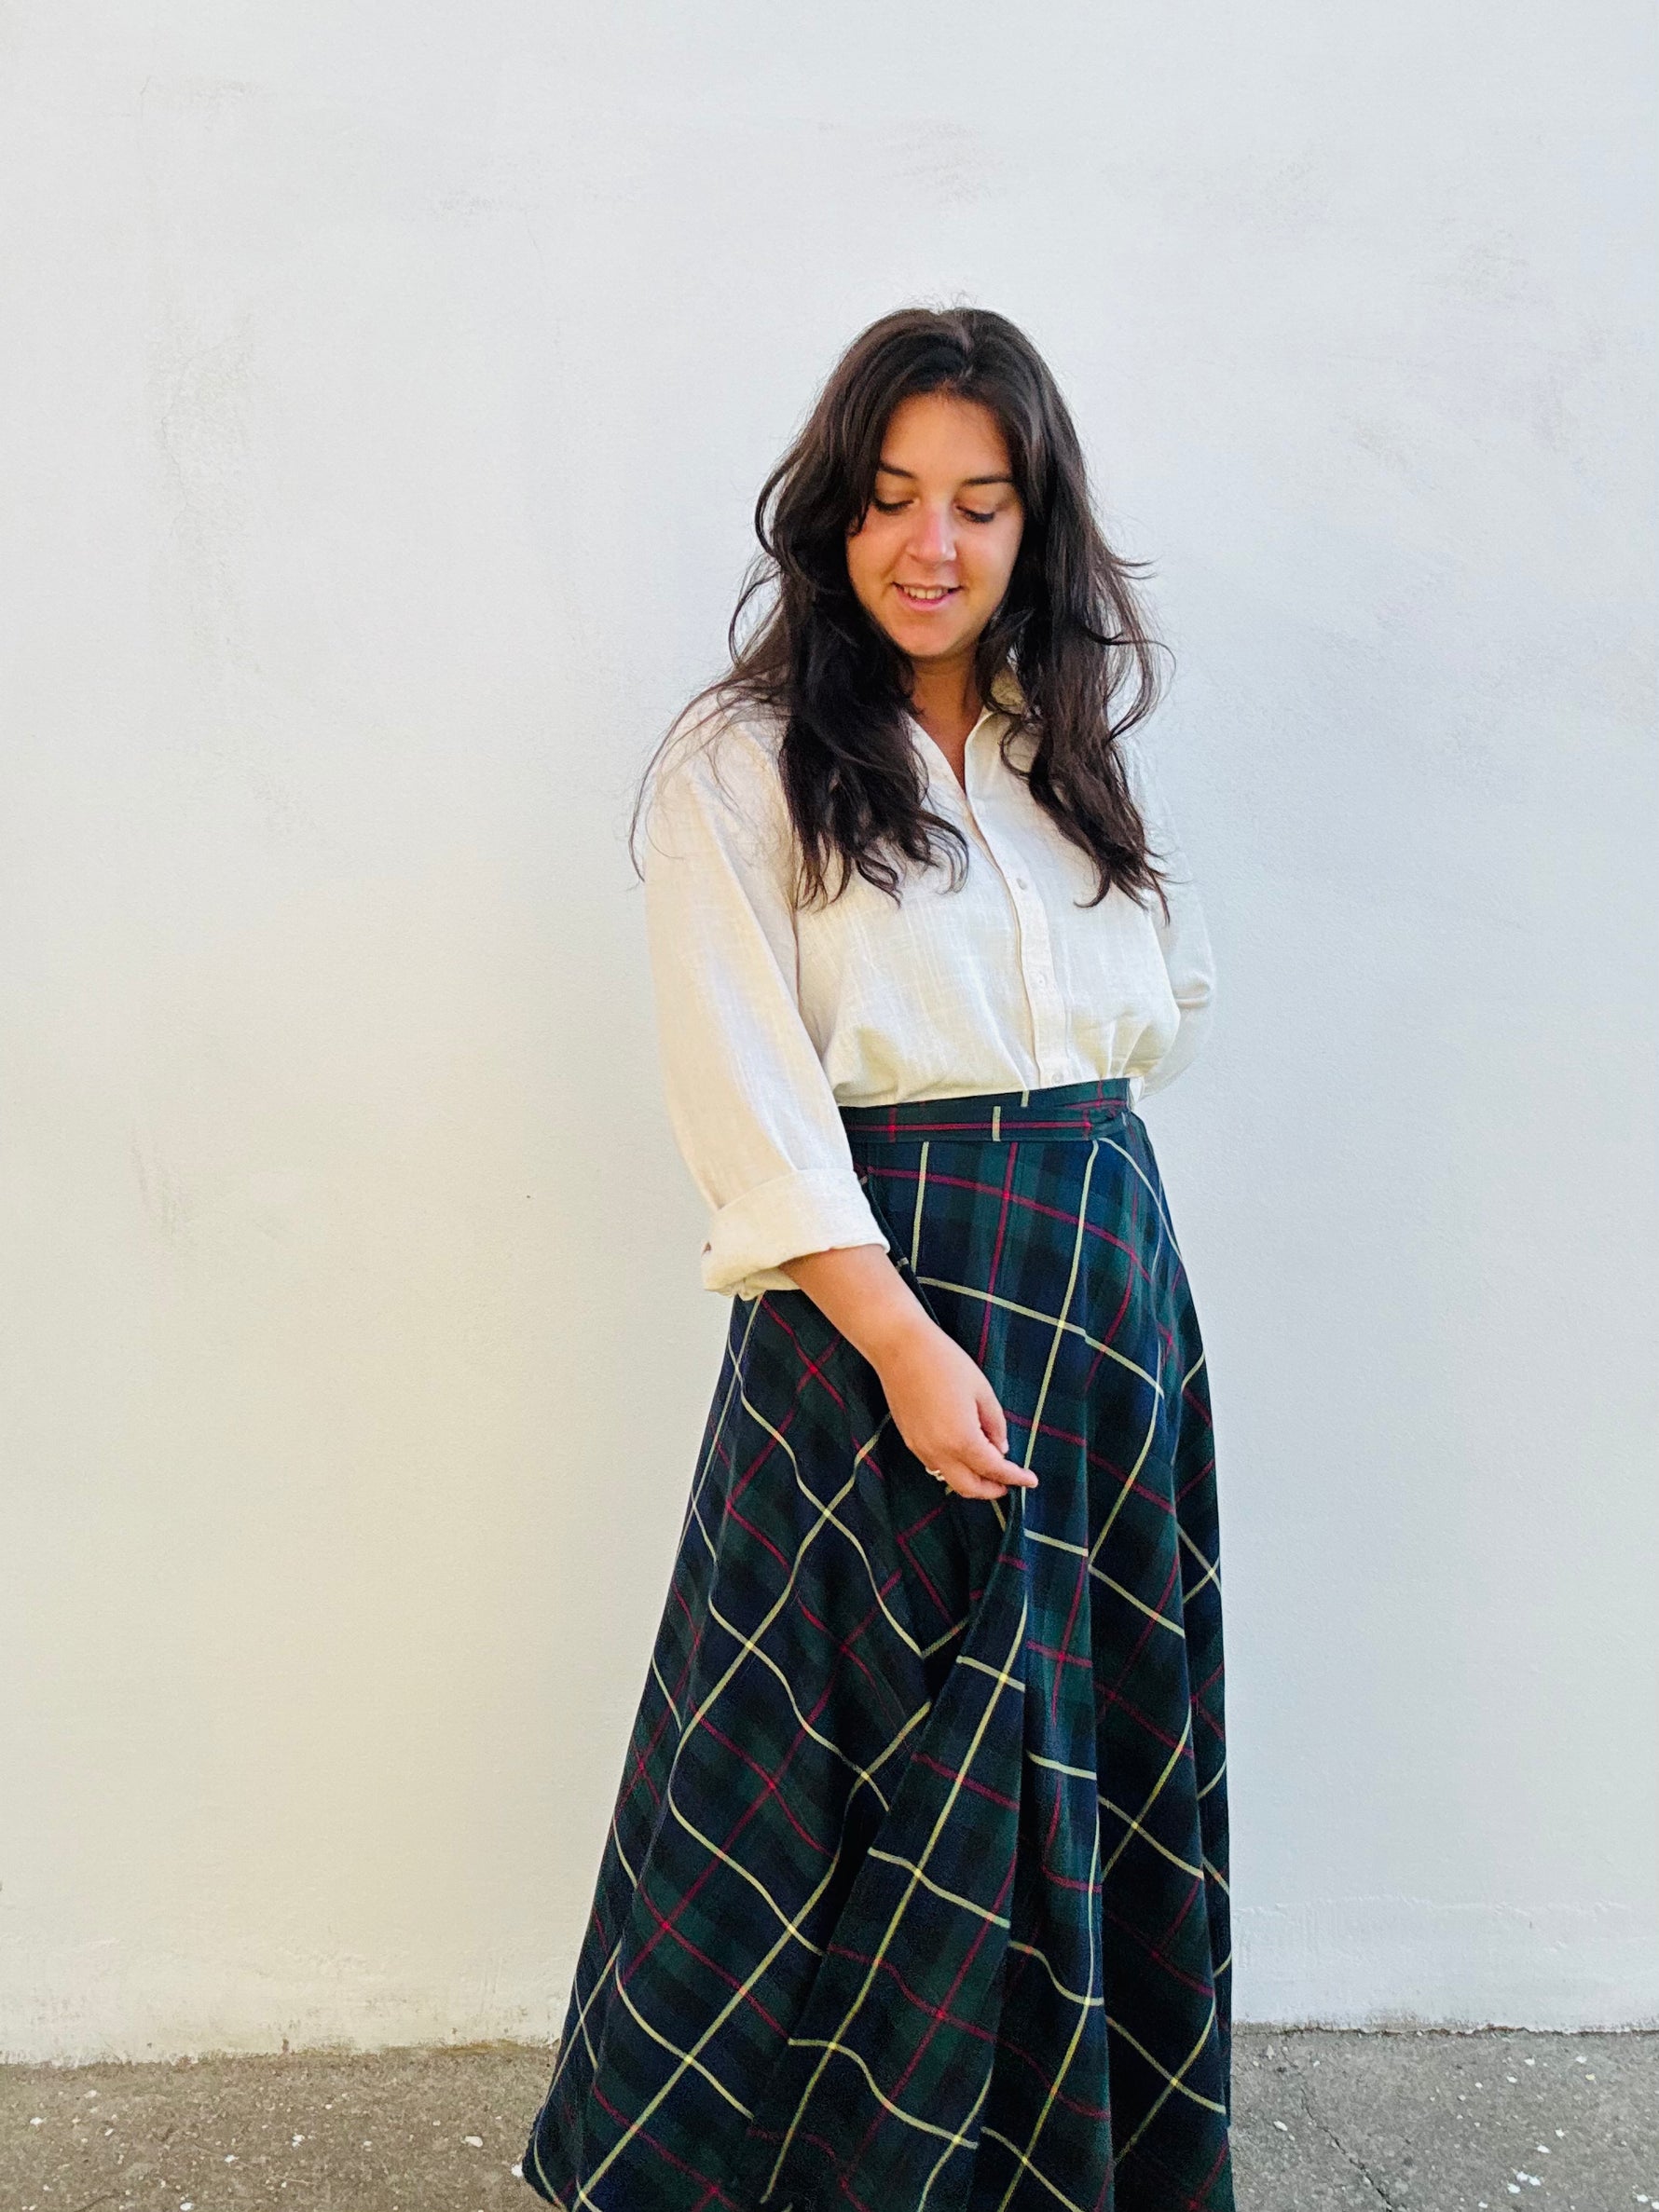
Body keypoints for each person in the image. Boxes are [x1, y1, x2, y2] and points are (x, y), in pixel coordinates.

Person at [522, 305, 1231, 2212]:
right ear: (832, 515)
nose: (933, 543)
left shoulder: (1067, 756)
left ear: (1033, 524)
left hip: (1098, 1289)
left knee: (1076, 1756)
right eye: (893, 497)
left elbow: (1155, 1016)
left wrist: (1089, 1233)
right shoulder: (741, 761)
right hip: (874, 1297)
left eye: (980, 503)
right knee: (836, 1772)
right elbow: (746, 1086)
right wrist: (903, 1340)